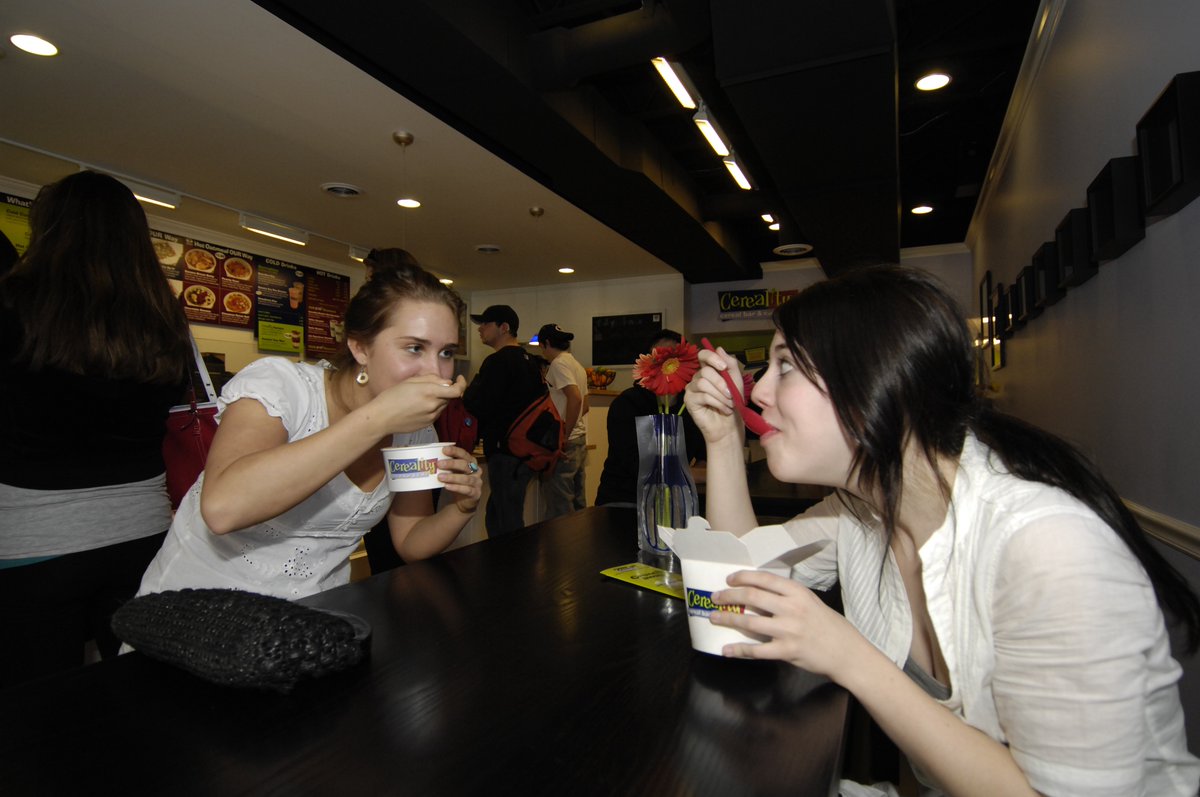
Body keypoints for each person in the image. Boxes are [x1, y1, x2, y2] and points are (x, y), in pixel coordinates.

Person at [684, 265, 1200, 797]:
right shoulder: (858, 516)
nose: (757, 391)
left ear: (876, 378)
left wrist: (849, 656)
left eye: (785, 365)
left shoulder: (1048, 547)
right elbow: (740, 574)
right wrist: (723, 441)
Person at [135, 262, 482, 600]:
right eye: (414, 348)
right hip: (194, 611)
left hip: (309, 624)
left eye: (446, 352)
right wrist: (379, 419)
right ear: (360, 347)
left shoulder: (416, 434)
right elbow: (223, 509)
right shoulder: (282, 388)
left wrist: (461, 508)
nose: (437, 372)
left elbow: (410, 541)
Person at [0, 170, 192, 686]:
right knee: (147, 699)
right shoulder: (162, 318)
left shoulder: (15, 302)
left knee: (39, 718)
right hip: (142, 533)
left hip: (33, 544)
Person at [596, 329, 706, 507]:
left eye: (674, 359)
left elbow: (703, 454)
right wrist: (706, 475)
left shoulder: (689, 405)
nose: (667, 366)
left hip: (674, 501)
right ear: (649, 364)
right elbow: (645, 469)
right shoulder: (628, 404)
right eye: (659, 359)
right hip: (626, 501)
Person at [462, 304, 546, 537]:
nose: (480, 329)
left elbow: (478, 403)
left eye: (485, 324)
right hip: (526, 450)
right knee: (499, 513)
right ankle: (506, 567)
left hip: (505, 451)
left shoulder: (498, 361)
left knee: (505, 520)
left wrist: (465, 390)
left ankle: (513, 570)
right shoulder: (531, 361)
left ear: (504, 327)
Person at [536, 323, 589, 518]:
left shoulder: (558, 364)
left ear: (546, 343)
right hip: (580, 439)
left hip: (566, 441)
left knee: (560, 505)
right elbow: (585, 405)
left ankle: (562, 548)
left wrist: (563, 435)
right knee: (577, 501)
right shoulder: (577, 366)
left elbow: (574, 398)